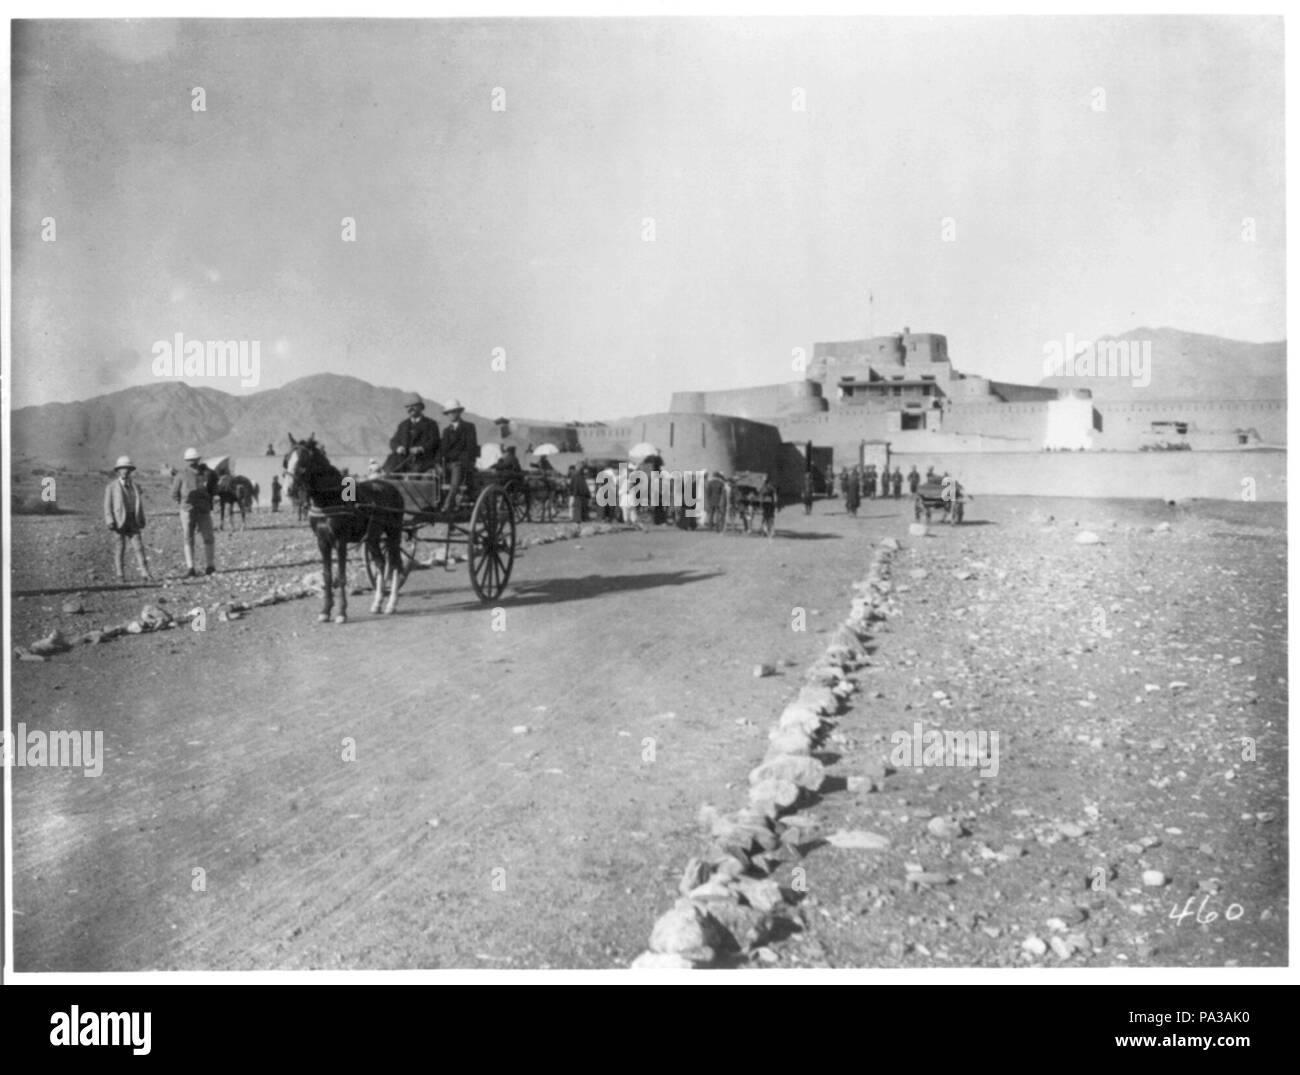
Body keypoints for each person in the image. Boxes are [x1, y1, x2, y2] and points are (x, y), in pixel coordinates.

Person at [104, 456, 153, 583]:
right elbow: (107, 506)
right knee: (120, 548)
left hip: (133, 519)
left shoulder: (135, 486)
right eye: (122, 468)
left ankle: (145, 573)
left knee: (138, 547)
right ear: (118, 470)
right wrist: (110, 520)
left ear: (130, 470)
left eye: (127, 468)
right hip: (119, 521)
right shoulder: (112, 487)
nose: (125, 471)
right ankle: (120, 575)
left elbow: (139, 504)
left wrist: (141, 518)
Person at [171, 447, 218, 577]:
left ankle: (210, 566)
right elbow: (174, 493)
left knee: (208, 537)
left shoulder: (207, 474)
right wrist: (184, 504)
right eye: (190, 460)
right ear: (187, 461)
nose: (193, 462)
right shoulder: (181, 475)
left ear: (198, 459)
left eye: (194, 459)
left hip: (203, 510)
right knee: (188, 538)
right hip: (188, 510)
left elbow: (212, 490)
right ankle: (191, 568)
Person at [384, 393, 441, 474]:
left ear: (421, 407)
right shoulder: (403, 425)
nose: (410, 409)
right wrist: (398, 448)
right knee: (388, 470)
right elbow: (393, 441)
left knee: (414, 475)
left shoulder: (431, 424)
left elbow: (434, 441)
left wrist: (421, 448)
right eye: (408, 407)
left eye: (414, 406)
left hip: (423, 461)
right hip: (402, 460)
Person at [438, 398, 479, 510]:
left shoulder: (469, 427)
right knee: (433, 476)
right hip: (447, 463)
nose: (450, 415)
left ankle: (447, 505)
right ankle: (434, 504)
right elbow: (442, 449)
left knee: (455, 480)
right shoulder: (446, 431)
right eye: (448, 413)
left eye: (453, 412)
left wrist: (458, 458)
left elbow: (471, 447)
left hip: (461, 463)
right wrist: (438, 463)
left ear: (459, 412)